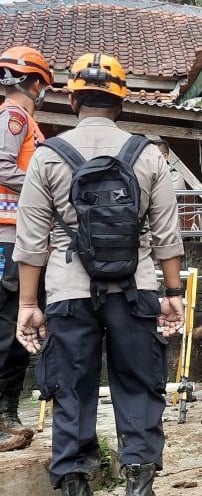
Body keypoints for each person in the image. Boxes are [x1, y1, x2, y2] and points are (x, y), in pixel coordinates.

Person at [13, 53, 185, 496]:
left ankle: (74, 481)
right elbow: (167, 234)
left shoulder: (48, 156)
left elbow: (32, 242)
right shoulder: (147, 154)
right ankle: (139, 478)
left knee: (71, 386)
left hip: (67, 290)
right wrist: (173, 293)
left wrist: (28, 306)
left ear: (72, 101)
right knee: (140, 383)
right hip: (138, 288)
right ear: (121, 103)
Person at [0, 45, 53, 452]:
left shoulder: (21, 119)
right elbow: (1, 166)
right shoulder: (15, 117)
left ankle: (6, 413)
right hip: (9, 237)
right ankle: (2, 418)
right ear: (35, 82)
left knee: (15, 327)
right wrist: (46, 186)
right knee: (7, 327)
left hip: (19, 236)